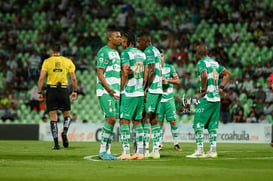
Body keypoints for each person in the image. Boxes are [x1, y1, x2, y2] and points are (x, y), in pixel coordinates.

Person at [186, 44, 230, 158]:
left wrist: (202, 89)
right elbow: (227, 74)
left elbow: (204, 75)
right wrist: (221, 87)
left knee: (197, 124)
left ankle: (200, 150)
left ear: (198, 53)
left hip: (207, 97)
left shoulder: (201, 63)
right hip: (216, 98)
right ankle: (213, 150)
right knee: (212, 125)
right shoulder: (214, 63)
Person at [38, 43, 77, 150]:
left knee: (53, 117)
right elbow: (73, 78)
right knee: (67, 114)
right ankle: (64, 132)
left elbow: (42, 78)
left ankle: (56, 144)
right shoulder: (67, 61)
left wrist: (40, 92)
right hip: (63, 90)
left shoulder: (47, 62)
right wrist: (75, 90)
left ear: (51, 51)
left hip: (51, 90)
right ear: (60, 51)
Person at [118, 31, 146, 160]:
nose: (122, 44)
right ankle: (140, 152)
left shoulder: (125, 54)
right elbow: (145, 74)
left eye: (123, 41)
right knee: (137, 122)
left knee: (124, 121)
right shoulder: (142, 54)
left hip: (129, 92)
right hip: (140, 91)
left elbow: (125, 71)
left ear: (128, 41)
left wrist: (119, 89)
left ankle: (126, 152)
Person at [96, 27, 121, 160]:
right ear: (109, 38)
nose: (120, 38)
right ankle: (102, 151)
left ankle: (108, 151)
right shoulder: (103, 51)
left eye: (120, 36)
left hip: (116, 91)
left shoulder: (117, 53)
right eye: (117, 36)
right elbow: (100, 71)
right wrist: (108, 89)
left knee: (112, 120)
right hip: (106, 90)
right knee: (111, 118)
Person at [137, 31, 163, 159]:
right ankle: (156, 150)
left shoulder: (148, 51)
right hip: (159, 88)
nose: (138, 45)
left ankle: (146, 149)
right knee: (155, 119)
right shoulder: (156, 51)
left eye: (139, 42)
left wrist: (145, 88)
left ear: (145, 41)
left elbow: (151, 70)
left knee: (146, 117)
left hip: (152, 89)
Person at [157, 49, 182, 151]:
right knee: (159, 122)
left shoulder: (169, 68)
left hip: (168, 98)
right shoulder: (153, 69)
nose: (161, 58)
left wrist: (167, 80)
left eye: (162, 56)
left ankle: (176, 143)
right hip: (158, 98)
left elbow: (177, 80)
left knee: (172, 121)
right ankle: (159, 144)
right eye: (159, 56)